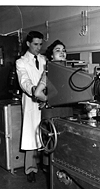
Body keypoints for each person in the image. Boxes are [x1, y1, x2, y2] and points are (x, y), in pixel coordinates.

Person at [34, 40, 73, 172]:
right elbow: (37, 93)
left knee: (64, 146)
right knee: (54, 145)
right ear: (51, 56)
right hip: (53, 113)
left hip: (66, 111)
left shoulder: (68, 71)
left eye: (64, 50)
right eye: (58, 50)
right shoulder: (49, 72)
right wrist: (48, 100)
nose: (62, 53)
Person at [16, 31, 46, 183]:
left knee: (47, 134)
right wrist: (35, 92)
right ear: (28, 44)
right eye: (35, 44)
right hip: (31, 101)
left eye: (40, 44)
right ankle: (30, 169)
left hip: (45, 101)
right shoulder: (21, 62)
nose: (38, 48)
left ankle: (47, 166)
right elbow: (24, 81)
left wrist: (45, 97)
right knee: (31, 135)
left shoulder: (44, 60)